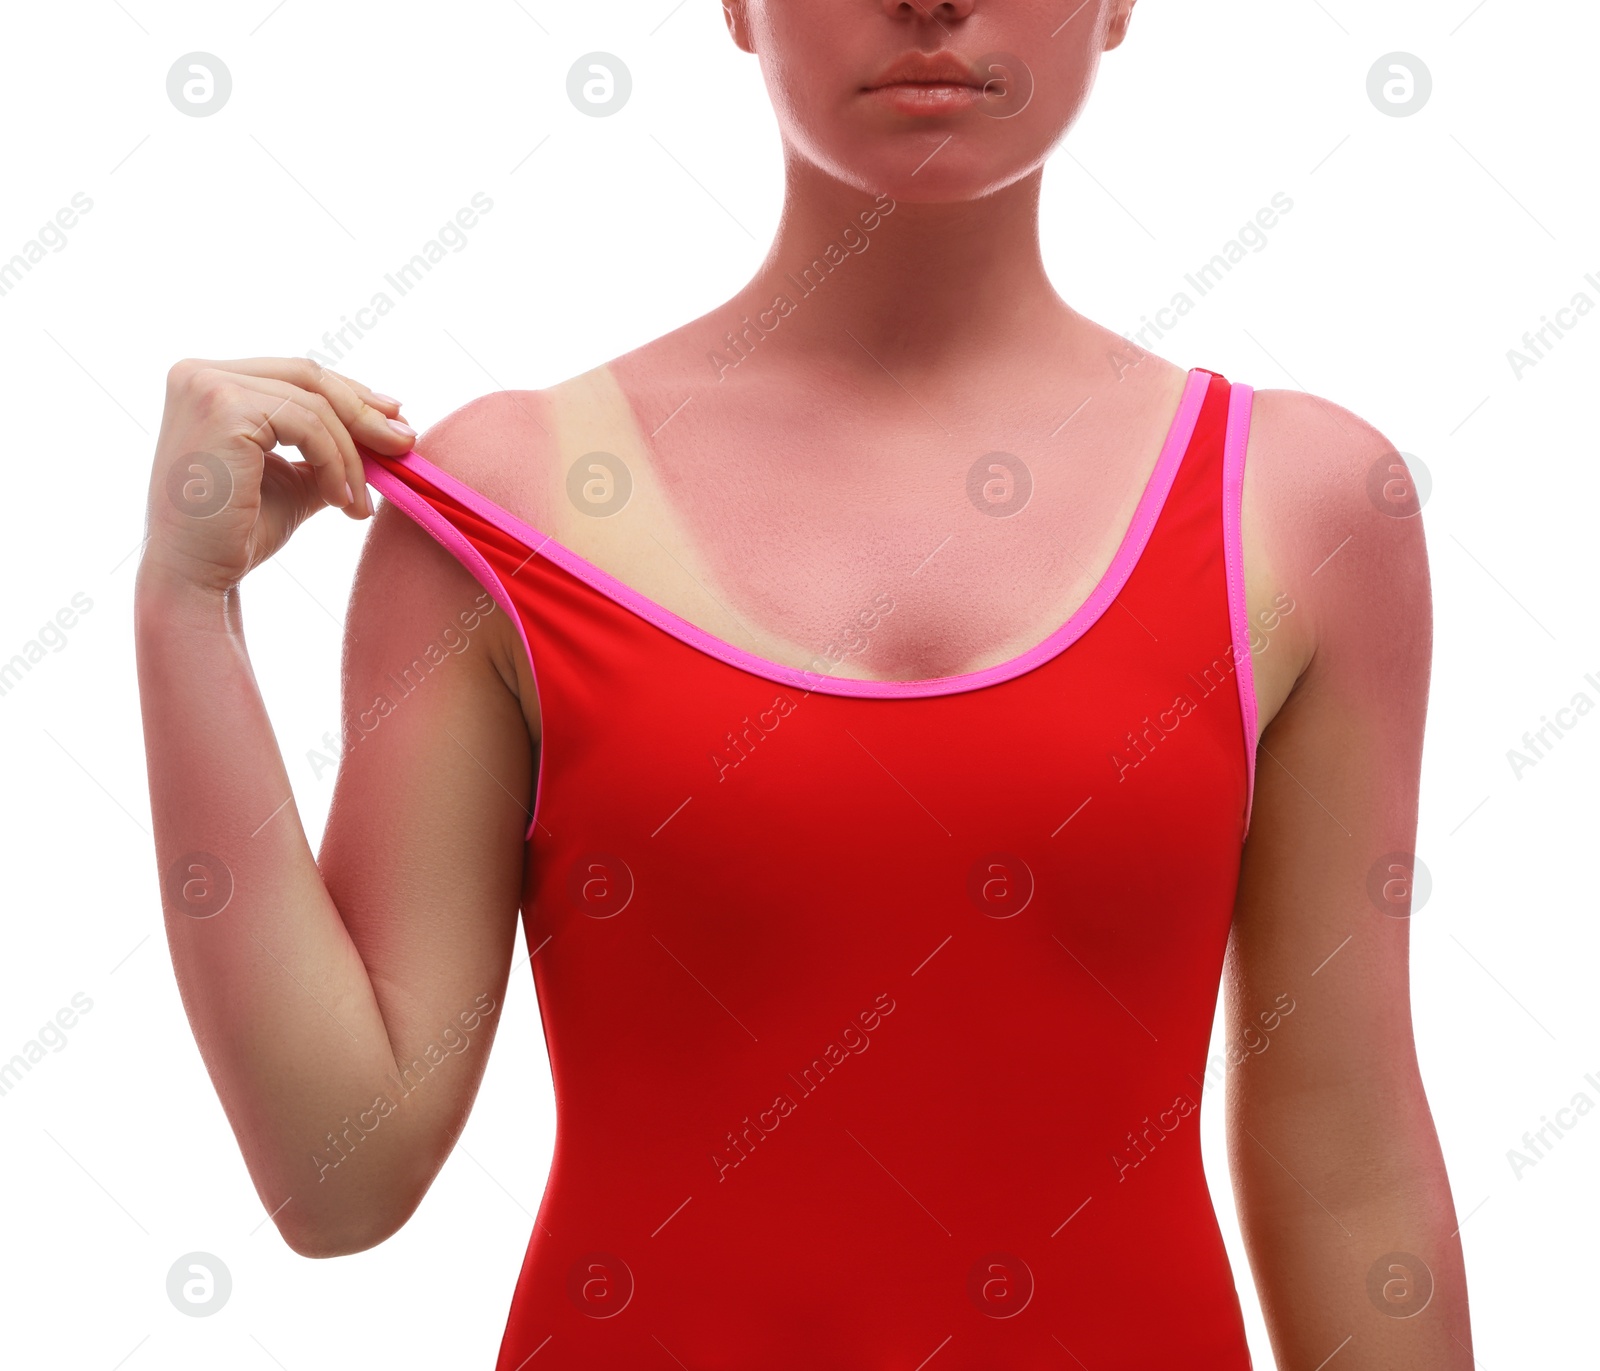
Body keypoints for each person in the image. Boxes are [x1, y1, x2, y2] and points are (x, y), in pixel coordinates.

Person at [134, 1, 1470, 1366]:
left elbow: (1347, 1169)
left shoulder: (1301, 511)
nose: (932, 0)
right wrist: (187, 607)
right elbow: (339, 1176)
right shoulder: (505, 506)